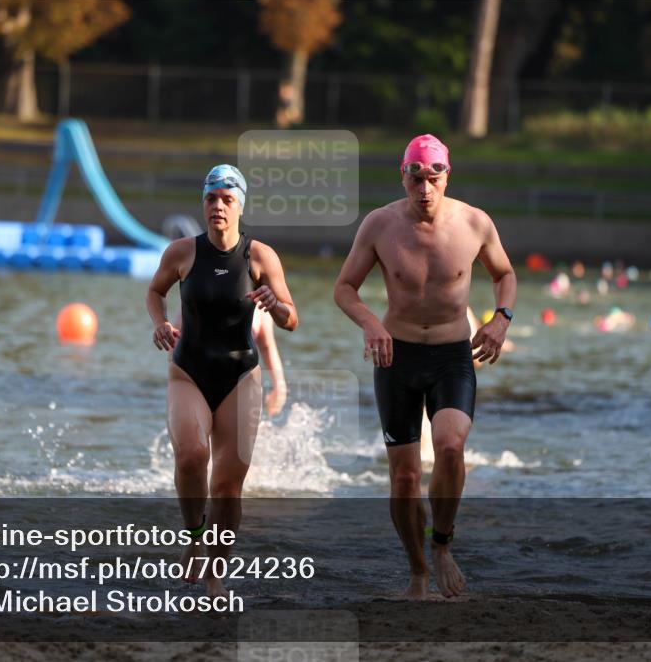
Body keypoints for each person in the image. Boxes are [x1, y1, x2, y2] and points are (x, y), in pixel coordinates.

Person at [333, 134, 516, 600]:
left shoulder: (475, 223)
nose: (425, 187)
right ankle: (417, 571)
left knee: (451, 448)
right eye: (416, 177)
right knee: (406, 478)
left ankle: (442, 543)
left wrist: (502, 319)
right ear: (403, 176)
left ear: (446, 176)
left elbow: (505, 275)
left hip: (452, 356)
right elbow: (345, 289)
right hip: (396, 357)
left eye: (434, 177)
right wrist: (371, 324)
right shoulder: (380, 225)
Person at [146, 164, 298, 598]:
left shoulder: (260, 256)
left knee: (228, 487)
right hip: (188, 371)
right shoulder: (182, 253)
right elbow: (155, 292)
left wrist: (276, 303)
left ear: (240, 206)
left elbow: (292, 319)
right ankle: (195, 537)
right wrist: (159, 323)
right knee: (192, 455)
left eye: (227, 199)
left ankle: (216, 570)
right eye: (211, 198)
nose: (217, 206)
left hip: (240, 375)